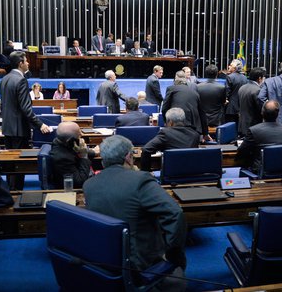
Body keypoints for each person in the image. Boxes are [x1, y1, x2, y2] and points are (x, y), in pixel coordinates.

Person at [83, 135, 187, 291]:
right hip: (141, 263)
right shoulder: (140, 180)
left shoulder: (88, 185)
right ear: (128, 157)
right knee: (177, 276)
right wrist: (172, 253)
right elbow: (175, 214)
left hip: (106, 259)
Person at [0, 51, 51, 190]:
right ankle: (16, 196)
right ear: (20, 63)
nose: (28, 63)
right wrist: (40, 124)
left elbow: (4, 105)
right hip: (19, 129)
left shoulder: (5, 78)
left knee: (10, 166)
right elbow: (26, 109)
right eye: (26, 61)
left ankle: (11, 193)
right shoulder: (21, 80)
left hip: (7, 127)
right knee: (18, 167)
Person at [235, 101, 282, 173]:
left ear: (262, 113)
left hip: (260, 170)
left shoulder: (254, 130)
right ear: (278, 114)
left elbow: (242, 151)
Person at [49, 122, 98, 189]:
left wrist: (93, 152)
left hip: (81, 171)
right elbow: (80, 182)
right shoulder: (62, 158)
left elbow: (76, 150)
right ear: (70, 140)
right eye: (79, 134)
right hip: (74, 187)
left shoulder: (60, 142)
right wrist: (84, 155)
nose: (81, 134)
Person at [162, 70, 208, 139]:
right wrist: (205, 133)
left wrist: (166, 122)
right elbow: (202, 113)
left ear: (175, 80)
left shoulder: (171, 89)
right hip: (193, 129)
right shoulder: (194, 92)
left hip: (176, 127)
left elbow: (164, 108)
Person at [238, 67, 266, 137]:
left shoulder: (242, 88)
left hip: (241, 125)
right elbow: (260, 109)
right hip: (253, 126)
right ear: (260, 78)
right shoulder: (257, 90)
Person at [224, 59, 248, 123]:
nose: (229, 66)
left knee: (229, 127)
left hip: (231, 107)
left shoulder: (229, 77)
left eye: (231, 65)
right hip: (241, 106)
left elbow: (227, 92)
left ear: (234, 68)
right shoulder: (244, 78)